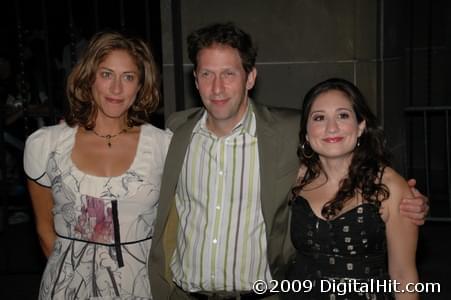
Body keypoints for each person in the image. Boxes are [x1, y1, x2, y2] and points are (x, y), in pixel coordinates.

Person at [149, 22, 427, 300]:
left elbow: (346, 161)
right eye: (207, 74)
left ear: (250, 78)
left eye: (229, 74)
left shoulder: (289, 132)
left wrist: (409, 201)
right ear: (195, 80)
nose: (217, 87)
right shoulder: (176, 132)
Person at [24, 31, 171, 300]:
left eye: (128, 77)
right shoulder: (47, 145)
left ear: (140, 85)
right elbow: (45, 230)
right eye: (106, 74)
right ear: (89, 77)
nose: (117, 88)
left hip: (141, 288)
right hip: (67, 288)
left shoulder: (163, 146)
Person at [285, 78, 418, 299]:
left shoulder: (389, 187)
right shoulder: (297, 179)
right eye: (319, 118)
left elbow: (403, 275)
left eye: (343, 115)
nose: (331, 127)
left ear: (361, 126)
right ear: (307, 134)